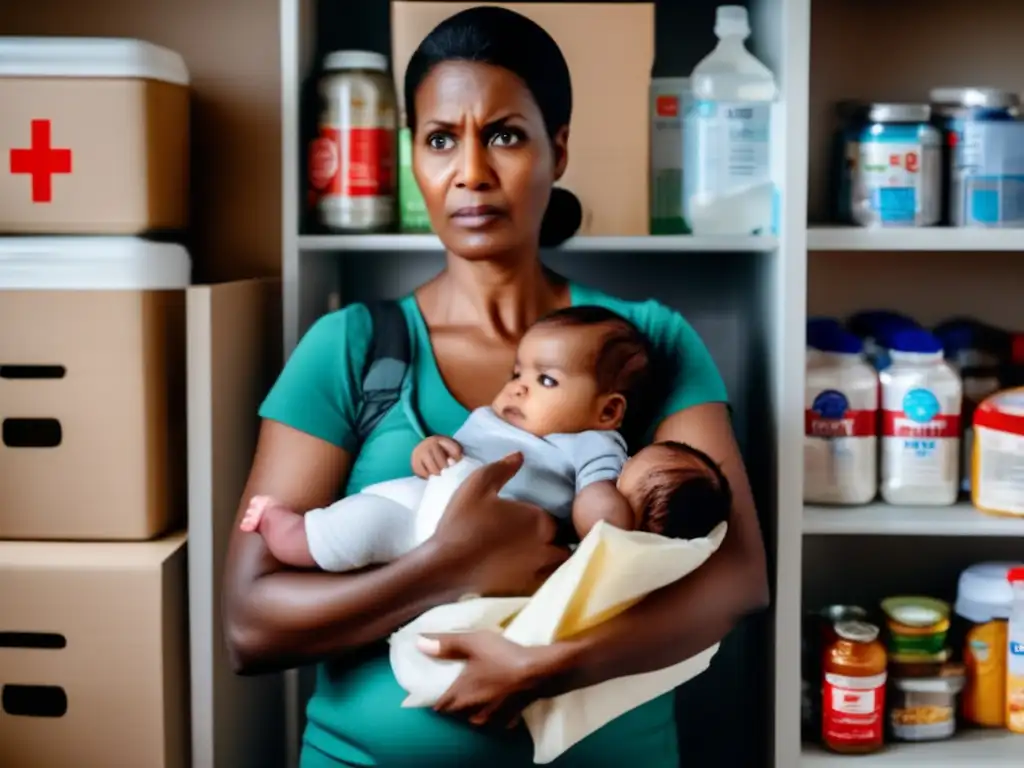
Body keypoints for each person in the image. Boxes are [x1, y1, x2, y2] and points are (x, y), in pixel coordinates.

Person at [222, 6, 768, 767]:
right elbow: (250, 628)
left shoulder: (645, 347)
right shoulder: (349, 350)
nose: (471, 171)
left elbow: (737, 579)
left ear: (560, 148)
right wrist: (448, 566)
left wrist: (542, 668)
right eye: (441, 138)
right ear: (414, 157)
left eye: (505, 135)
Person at [238, 306, 730, 573]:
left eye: (547, 381)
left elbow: (596, 500)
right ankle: (290, 530)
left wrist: (606, 516)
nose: (518, 385)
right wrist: (427, 450)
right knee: (355, 529)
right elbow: (444, 455)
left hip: (495, 531)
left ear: (607, 410)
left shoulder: (591, 444)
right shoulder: (492, 420)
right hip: (422, 505)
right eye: (518, 372)